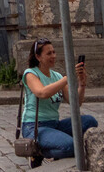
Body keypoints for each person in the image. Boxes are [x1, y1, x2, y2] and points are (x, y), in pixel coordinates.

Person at [21, 38, 98, 166]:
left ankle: (59, 145)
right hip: (34, 127)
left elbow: (76, 102)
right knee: (72, 146)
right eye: (49, 53)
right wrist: (68, 77)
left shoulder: (57, 76)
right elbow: (42, 93)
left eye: (54, 52)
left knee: (90, 121)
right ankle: (38, 153)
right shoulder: (31, 73)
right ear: (38, 57)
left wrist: (82, 84)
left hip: (54, 124)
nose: (53, 56)